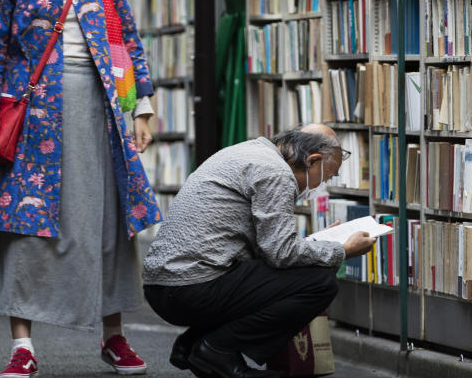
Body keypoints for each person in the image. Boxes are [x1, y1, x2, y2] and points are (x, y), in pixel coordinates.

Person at [0, 0, 161, 378]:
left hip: (99, 111)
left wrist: (137, 106)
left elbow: (122, 41)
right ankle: (23, 347)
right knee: (26, 227)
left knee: (106, 225)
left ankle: (113, 337)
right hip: (32, 116)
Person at [142, 124, 377, 378]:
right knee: (319, 283)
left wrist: (318, 243)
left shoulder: (250, 152)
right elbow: (281, 254)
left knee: (293, 274)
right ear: (312, 160)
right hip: (190, 287)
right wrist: (341, 250)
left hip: (165, 286)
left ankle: (195, 342)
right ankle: (216, 349)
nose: (323, 185)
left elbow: (267, 247)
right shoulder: (276, 173)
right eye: (327, 176)